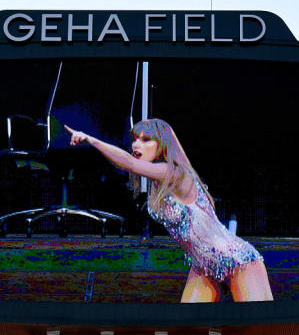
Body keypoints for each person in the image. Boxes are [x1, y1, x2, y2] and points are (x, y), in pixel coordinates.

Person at [66, 119, 273, 302]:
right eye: (136, 139)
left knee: (259, 329)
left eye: (146, 140)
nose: (137, 144)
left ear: (162, 145)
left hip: (237, 261)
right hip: (203, 266)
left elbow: (128, 163)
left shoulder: (174, 173)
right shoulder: (157, 180)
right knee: (187, 332)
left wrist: (90, 139)